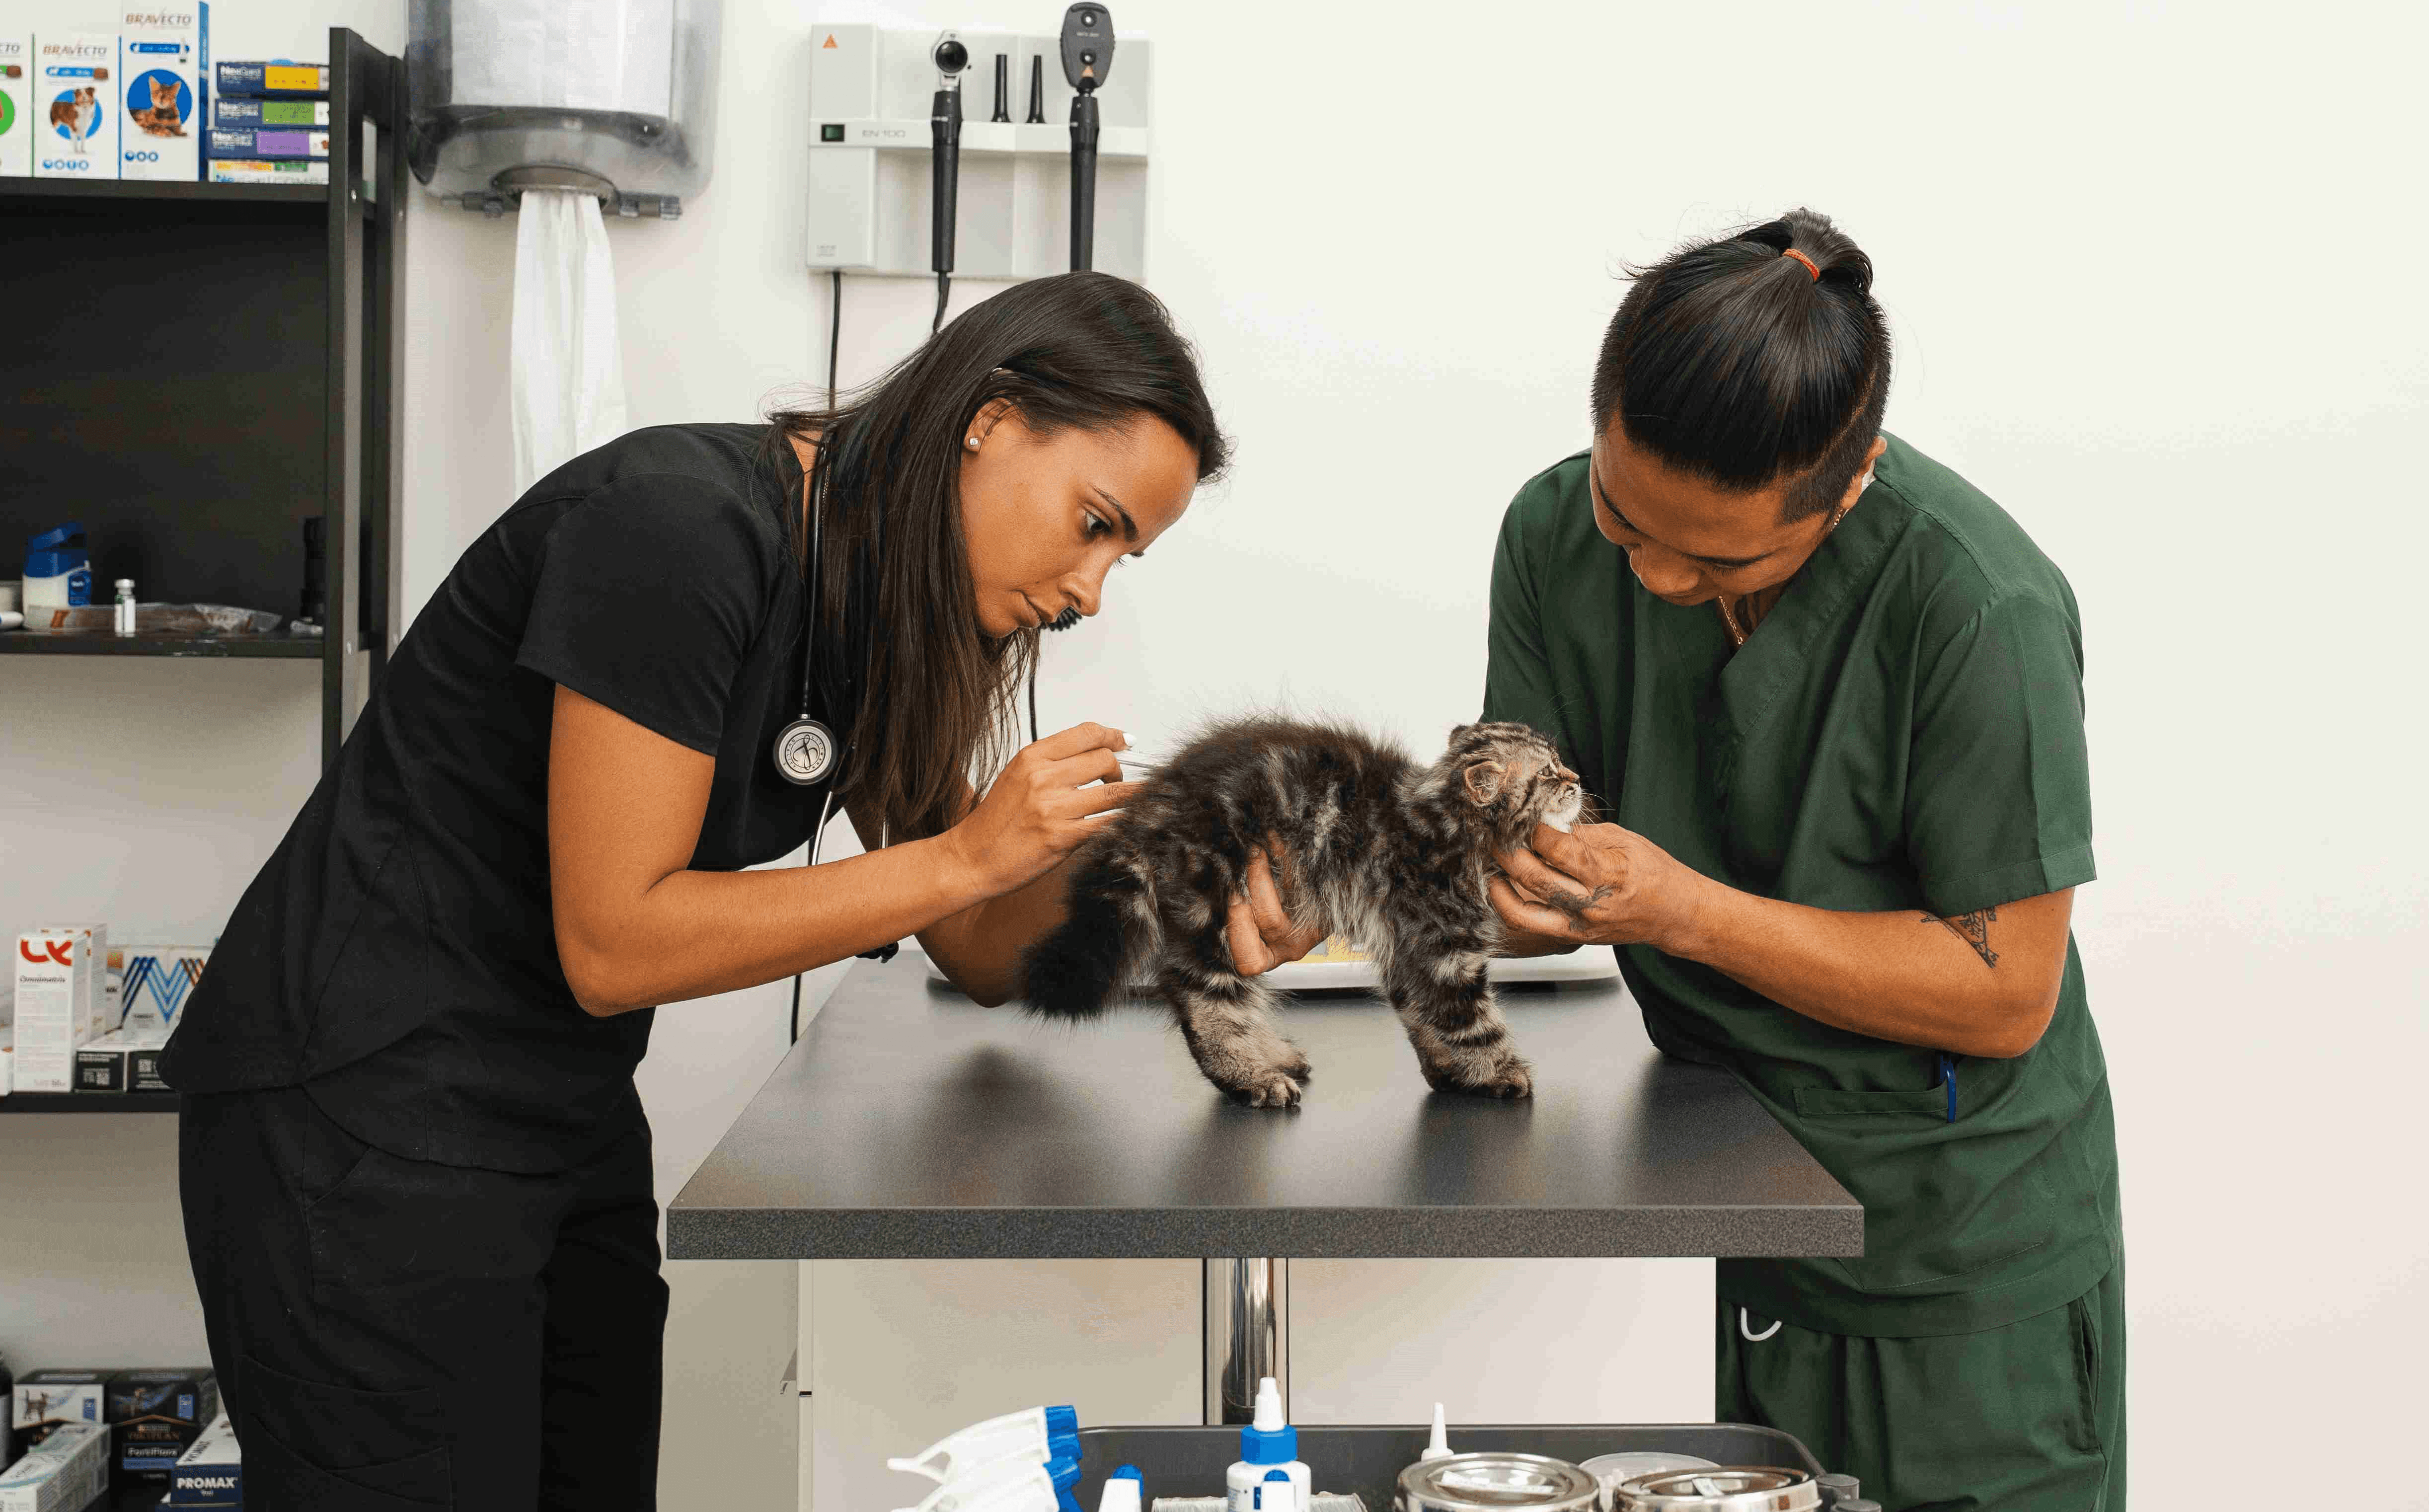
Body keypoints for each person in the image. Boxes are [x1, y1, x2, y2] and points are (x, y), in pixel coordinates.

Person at [161, 273, 1248, 1511]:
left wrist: (1169, 898)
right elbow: (615, 942)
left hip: (552, 1113)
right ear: (990, 420)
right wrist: (964, 853)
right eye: (1094, 522)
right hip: (357, 1107)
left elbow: (977, 945)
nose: (1091, 590)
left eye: (1127, 556)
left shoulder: (883, 599)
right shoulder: (678, 531)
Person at [1480, 212, 2125, 1507]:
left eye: (1717, 555)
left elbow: (2004, 991)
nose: (1652, 573)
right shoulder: (1554, 534)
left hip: (1963, 1252)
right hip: (1760, 1202)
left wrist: (1679, 909)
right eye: (1627, 515)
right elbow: (1512, 814)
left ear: (1852, 480)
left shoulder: (1973, 603)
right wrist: (1517, 888)